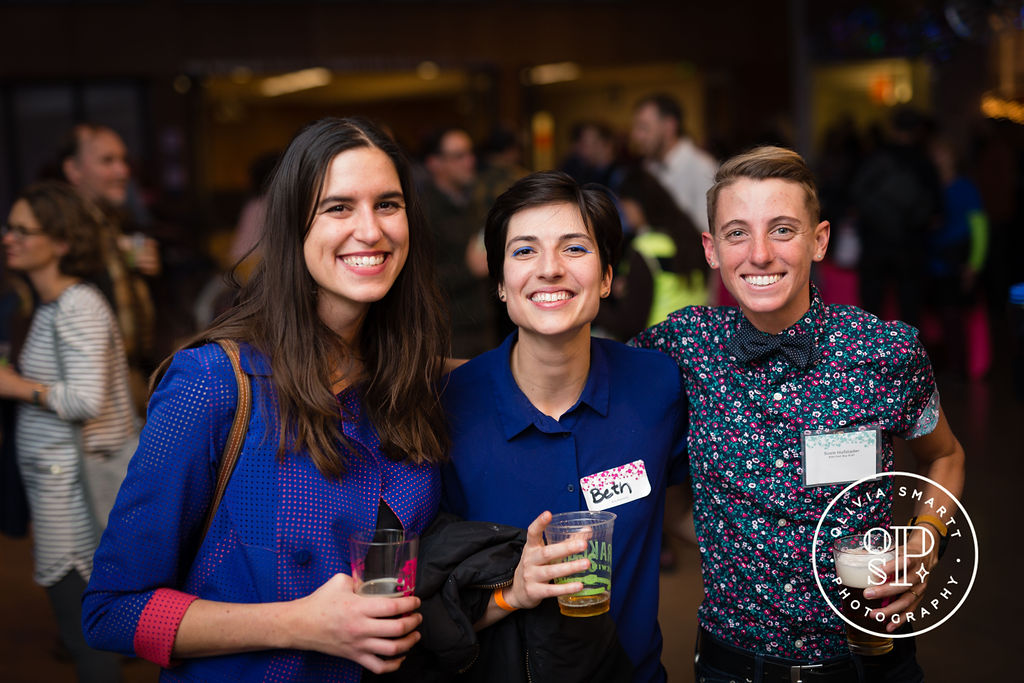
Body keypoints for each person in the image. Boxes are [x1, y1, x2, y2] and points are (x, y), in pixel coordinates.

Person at [82, 117, 451, 680]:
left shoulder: (410, 381)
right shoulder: (212, 381)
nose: (370, 230)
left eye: (388, 204)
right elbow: (113, 612)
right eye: (338, 207)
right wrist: (302, 624)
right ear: (291, 225)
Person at [632, 146, 966, 681]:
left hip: (869, 661)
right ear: (711, 249)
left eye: (783, 229)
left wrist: (925, 543)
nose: (759, 254)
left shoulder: (886, 352)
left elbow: (945, 455)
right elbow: (575, 374)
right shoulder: (684, 343)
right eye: (737, 232)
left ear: (820, 240)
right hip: (733, 667)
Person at [442, 171, 688, 682]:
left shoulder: (657, 385)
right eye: (525, 251)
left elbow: (700, 503)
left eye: (574, 248)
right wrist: (511, 593)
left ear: (605, 278)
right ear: (500, 284)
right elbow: (432, 603)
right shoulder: (447, 406)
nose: (550, 270)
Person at [0, 181, 136, 682]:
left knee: (87, 640)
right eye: (8, 226)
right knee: (81, 633)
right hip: (58, 490)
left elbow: (84, 399)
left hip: (77, 499)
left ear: (59, 243)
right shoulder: (48, 306)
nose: (8, 237)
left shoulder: (77, 305)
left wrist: (14, 385)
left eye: (22, 229)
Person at [59, 123, 159, 411]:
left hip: (127, 376)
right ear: (73, 170)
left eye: (123, 160)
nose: (122, 171)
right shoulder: (64, 232)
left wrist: (142, 273)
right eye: (107, 161)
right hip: (92, 387)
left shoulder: (111, 223)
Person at [595, 167, 708, 341]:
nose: (624, 214)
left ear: (636, 204)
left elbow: (629, 324)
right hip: (697, 341)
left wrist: (593, 303)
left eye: (624, 207)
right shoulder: (688, 236)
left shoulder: (646, 248)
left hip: (660, 345)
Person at [420, 126, 495, 358]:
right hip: (448, 333)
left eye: (470, 153)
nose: (469, 161)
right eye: (458, 156)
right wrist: (469, 270)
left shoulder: (475, 203)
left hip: (484, 322)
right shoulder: (422, 212)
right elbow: (420, 279)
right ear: (435, 163)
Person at [630, 93, 717, 233]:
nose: (636, 135)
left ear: (669, 126)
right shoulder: (649, 166)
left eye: (644, 127)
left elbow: (708, 232)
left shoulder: (701, 167)